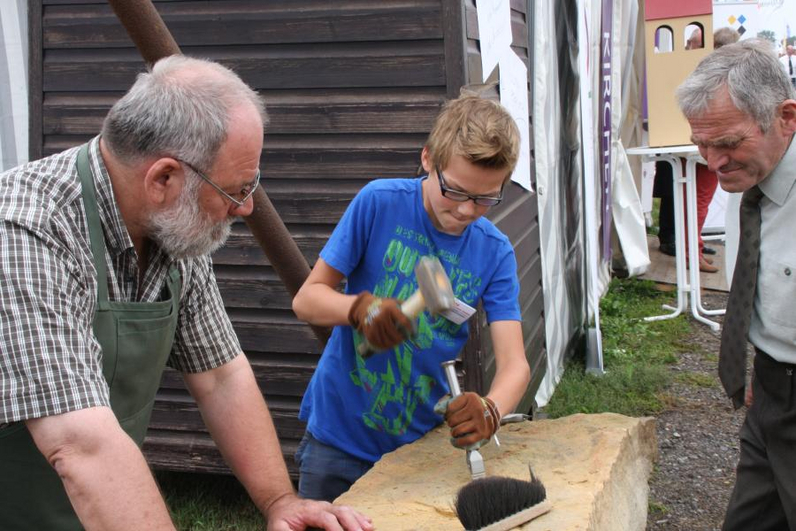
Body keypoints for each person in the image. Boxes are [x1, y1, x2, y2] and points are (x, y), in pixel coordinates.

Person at [0, 55, 371, 531]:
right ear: (164, 179)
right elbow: (81, 444)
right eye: (237, 189)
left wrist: (281, 500)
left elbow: (220, 375)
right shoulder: (26, 232)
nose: (247, 207)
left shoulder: (174, 225)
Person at [291, 93, 532, 502]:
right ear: (427, 159)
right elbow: (307, 300)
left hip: (417, 447)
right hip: (337, 437)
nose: (466, 211)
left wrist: (491, 409)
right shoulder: (379, 203)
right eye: (455, 191)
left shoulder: (494, 251)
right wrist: (358, 309)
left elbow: (515, 364)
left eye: (486, 198)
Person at [676, 39, 796, 529]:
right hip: (770, 388)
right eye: (702, 145)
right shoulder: (756, 181)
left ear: (786, 117)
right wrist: (764, 364)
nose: (713, 163)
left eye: (727, 143)